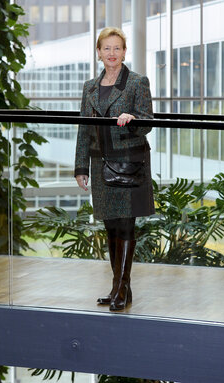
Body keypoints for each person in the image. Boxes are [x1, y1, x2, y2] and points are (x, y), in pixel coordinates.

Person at [74, 27, 155, 311]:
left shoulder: (136, 82)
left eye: (117, 48)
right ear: (98, 53)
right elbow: (84, 130)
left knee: (125, 225)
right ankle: (120, 287)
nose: (112, 53)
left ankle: (121, 287)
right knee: (111, 226)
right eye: (106, 48)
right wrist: (80, 167)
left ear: (124, 52)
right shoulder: (89, 88)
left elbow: (147, 123)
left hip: (129, 163)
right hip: (100, 163)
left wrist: (132, 118)